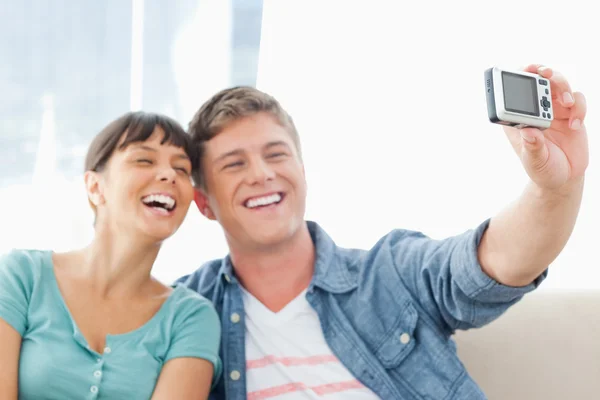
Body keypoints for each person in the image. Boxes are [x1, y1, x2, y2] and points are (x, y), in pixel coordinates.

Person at [176, 64, 588, 399]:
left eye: (276, 154)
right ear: (204, 202)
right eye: (234, 164)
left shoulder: (389, 274)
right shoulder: (185, 314)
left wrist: (555, 188)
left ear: (302, 173)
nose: (262, 174)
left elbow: (497, 261)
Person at [0, 111, 222, 399]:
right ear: (95, 187)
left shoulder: (191, 317)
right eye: (145, 160)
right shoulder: (22, 276)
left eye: (182, 169)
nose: (169, 175)